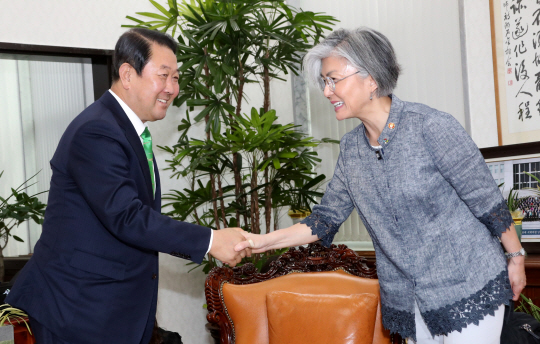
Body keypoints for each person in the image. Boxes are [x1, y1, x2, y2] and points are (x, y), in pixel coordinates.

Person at [235, 27, 526, 344]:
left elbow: (487, 201)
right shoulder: (351, 150)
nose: (327, 91)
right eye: (324, 82)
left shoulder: (431, 126)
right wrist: (261, 242)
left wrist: (516, 258)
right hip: (409, 299)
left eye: (333, 79)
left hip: (468, 284)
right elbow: (324, 219)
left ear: (371, 78)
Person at [6, 28, 249, 344]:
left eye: (176, 78)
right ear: (127, 74)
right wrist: (210, 240)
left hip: (110, 310)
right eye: (163, 76)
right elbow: (127, 217)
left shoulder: (126, 130)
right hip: (77, 311)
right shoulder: (97, 131)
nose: (172, 88)